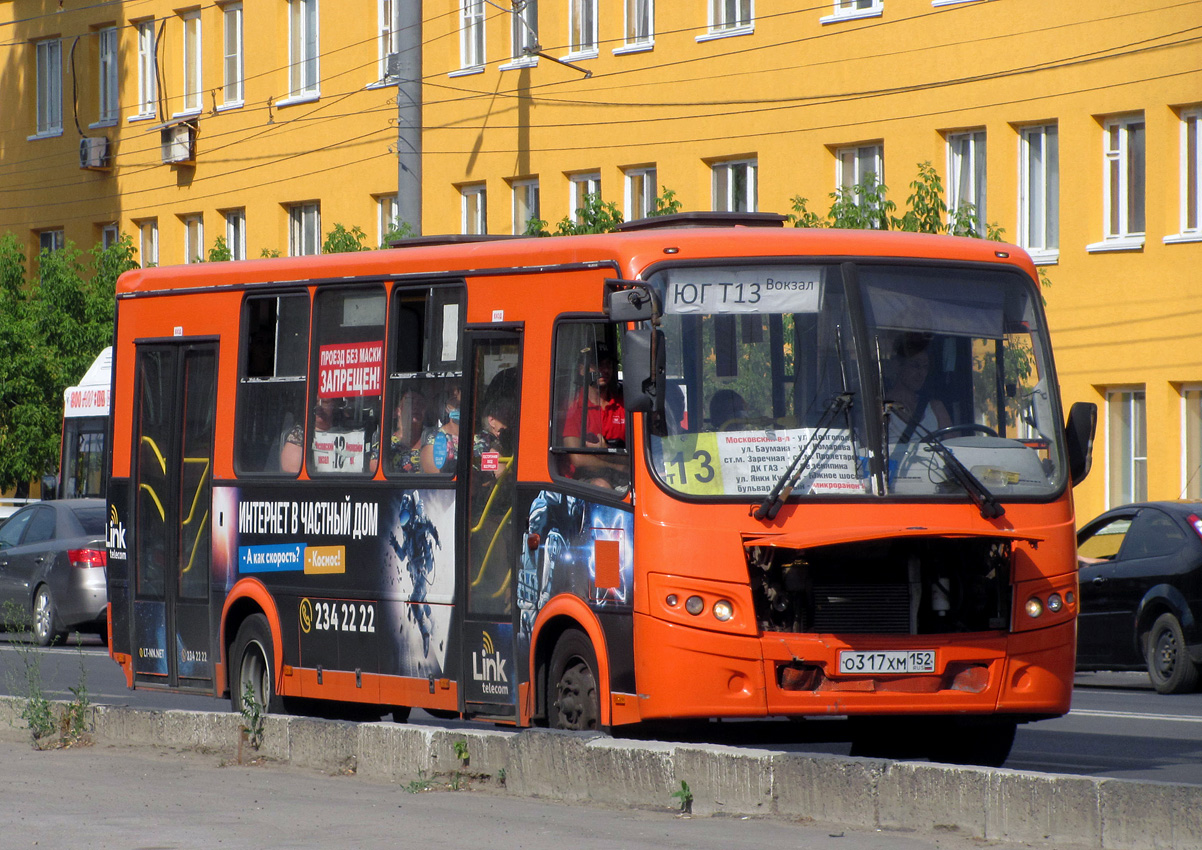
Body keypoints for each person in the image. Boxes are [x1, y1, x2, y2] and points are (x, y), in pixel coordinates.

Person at [561, 342, 626, 487]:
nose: (603, 370)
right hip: (580, 484)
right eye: (596, 365)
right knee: (602, 485)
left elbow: (636, 456)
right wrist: (616, 463)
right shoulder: (574, 407)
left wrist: (606, 451)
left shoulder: (623, 406)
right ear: (582, 370)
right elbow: (578, 460)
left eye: (607, 364)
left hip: (621, 480)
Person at [885, 333, 951, 448]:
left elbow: (956, 449)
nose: (921, 374)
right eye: (915, 366)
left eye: (925, 367)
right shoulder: (880, 410)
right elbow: (869, 454)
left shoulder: (936, 407)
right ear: (898, 366)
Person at [420, 385, 461, 474]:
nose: (459, 407)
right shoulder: (435, 438)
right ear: (446, 408)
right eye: (455, 404)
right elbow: (434, 474)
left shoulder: (483, 437)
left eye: (462, 404)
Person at [390, 389, 429, 474]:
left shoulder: (431, 441)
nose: (415, 407)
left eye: (420, 404)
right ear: (398, 411)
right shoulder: (385, 444)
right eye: (410, 403)